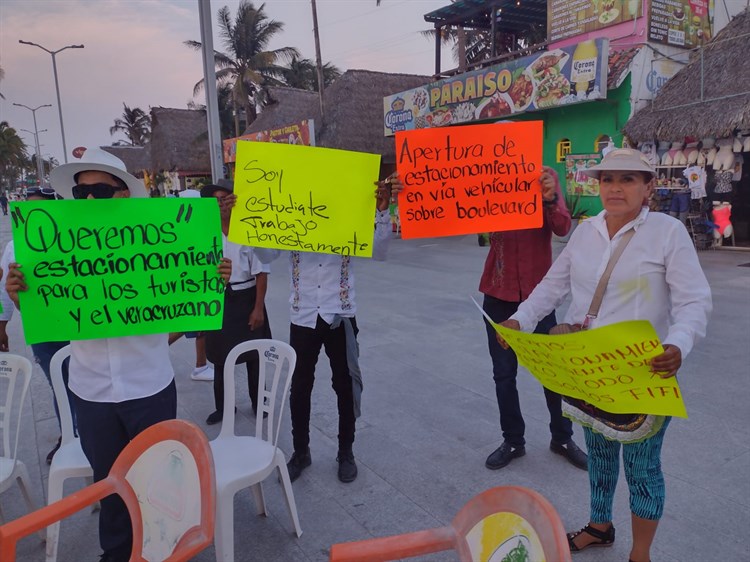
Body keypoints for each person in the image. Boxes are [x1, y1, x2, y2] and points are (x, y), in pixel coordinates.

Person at [5, 148, 232, 562]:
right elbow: (51, 316)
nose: (89, 199)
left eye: (100, 190)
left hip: (149, 388)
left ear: (124, 194)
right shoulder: (59, 247)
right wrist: (20, 298)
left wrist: (207, 286)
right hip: (91, 393)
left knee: (158, 482)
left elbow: (185, 309)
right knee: (109, 484)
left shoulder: (151, 240)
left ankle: (163, 551)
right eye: (80, 191)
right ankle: (117, 553)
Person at [499, 148, 712, 562]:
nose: (615, 187)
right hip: (586, 369)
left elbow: (694, 301)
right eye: (608, 179)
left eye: (628, 179)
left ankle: (641, 553)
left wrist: (679, 344)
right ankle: (600, 526)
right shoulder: (585, 231)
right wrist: (520, 320)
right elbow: (553, 285)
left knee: (643, 468)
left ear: (648, 187)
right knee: (598, 453)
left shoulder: (667, 233)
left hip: (641, 371)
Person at [256, 174, 398, 483]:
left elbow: (380, 251)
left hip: (340, 314)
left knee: (345, 386)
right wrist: (255, 223)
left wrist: (382, 212)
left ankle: (346, 451)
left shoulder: (349, 216)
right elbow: (265, 255)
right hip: (303, 315)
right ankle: (301, 451)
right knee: (300, 387)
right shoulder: (292, 217)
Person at [481, 166, 588, 471]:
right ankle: (513, 440)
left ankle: (562, 438)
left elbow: (563, 227)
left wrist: (550, 198)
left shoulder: (545, 177)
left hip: (538, 296)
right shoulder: (484, 179)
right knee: (503, 375)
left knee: (552, 373)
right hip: (497, 292)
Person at [0, 186, 73, 464]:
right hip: (44, 331)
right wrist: (2, 324)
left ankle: (88, 435)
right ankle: (67, 435)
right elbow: (7, 290)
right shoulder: (14, 247)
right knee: (59, 385)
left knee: (85, 384)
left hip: (82, 329)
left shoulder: (75, 238)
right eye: (28, 209)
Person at [200, 179, 271, 425]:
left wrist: (258, 307)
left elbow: (261, 272)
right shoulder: (204, 233)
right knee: (221, 358)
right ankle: (224, 407)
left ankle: (258, 402)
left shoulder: (249, 231)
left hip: (247, 296)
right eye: (216, 200)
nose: (221, 204)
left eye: (225, 198)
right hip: (219, 298)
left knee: (254, 356)